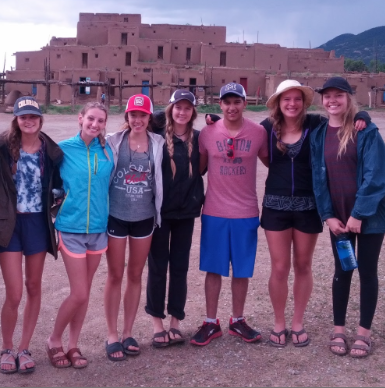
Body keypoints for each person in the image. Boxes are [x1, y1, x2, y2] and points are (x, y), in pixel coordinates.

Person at [260, 80, 370, 348]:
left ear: (305, 102)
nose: (292, 104)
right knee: (279, 267)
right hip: (275, 206)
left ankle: (298, 322)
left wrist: (363, 115)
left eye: (297, 99)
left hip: (309, 206)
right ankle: (279, 323)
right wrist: (213, 118)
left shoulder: (316, 125)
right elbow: (237, 130)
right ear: (278, 103)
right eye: (286, 99)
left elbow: (342, 116)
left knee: (303, 265)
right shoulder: (265, 129)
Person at [310, 77, 385, 358]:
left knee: (367, 271)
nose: (332, 100)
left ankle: (363, 333)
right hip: (339, 220)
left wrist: (359, 214)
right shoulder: (319, 133)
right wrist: (328, 216)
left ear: (349, 98)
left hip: (368, 219)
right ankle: (339, 329)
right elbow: (318, 179)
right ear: (322, 100)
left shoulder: (366, 131)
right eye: (327, 96)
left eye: (339, 95)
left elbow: (377, 177)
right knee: (343, 270)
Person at [0, 96, 63, 374]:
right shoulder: (1, 147)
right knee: (15, 292)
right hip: (10, 224)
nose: (28, 121)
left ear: (40, 120)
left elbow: (60, 189)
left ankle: (24, 347)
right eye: (23, 117)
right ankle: (7, 347)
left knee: (33, 286)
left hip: (38, 225)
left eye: (33, 116)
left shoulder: (51, 152)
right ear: (16, 120)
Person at [192, 83, 267, 347]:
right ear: (219, 104)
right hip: (214, 210)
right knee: (213, 269)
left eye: (237, 102)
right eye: (227, 102)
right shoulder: (207, 133)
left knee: (241, 270)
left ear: (245, 103)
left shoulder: (259, 132)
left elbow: (272, 161)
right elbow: (198, 168)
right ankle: (211, 322)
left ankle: (238, 320)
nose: (232, 107)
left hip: (246, 211)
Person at [46, 102, 113, 369]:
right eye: (91, 119)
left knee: (83, 293)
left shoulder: (108, 150)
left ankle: (73, 345)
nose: (95, 124)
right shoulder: (62, 149)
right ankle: (54, 340)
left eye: (100, 121)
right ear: (80, 118)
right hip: (71, 228)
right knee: (80, 292)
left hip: (98, 229)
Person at [104, 94, 165, 360]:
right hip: (116, 215)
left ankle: (128, 331)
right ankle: (112, 335)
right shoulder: (111, 141)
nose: (137, 119)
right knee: (115, 274)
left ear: (150, 117)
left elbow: (184, 131)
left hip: (144, 216)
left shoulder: (158, 143)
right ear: (126, 117)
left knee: (136, 275)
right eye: (133, 115)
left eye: (142, 115)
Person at [145, 89, 204, 347]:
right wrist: (160, 115)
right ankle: (157, 321)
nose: (182, 112)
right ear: (170, 109)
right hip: (159, 213)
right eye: (177, 107)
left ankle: (175, 321)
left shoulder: (200, 139)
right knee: (158, 267)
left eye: (187, 108)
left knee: (180, 267)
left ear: (193, 112)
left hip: (186, 212)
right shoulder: (156, 135)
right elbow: (143, 118)